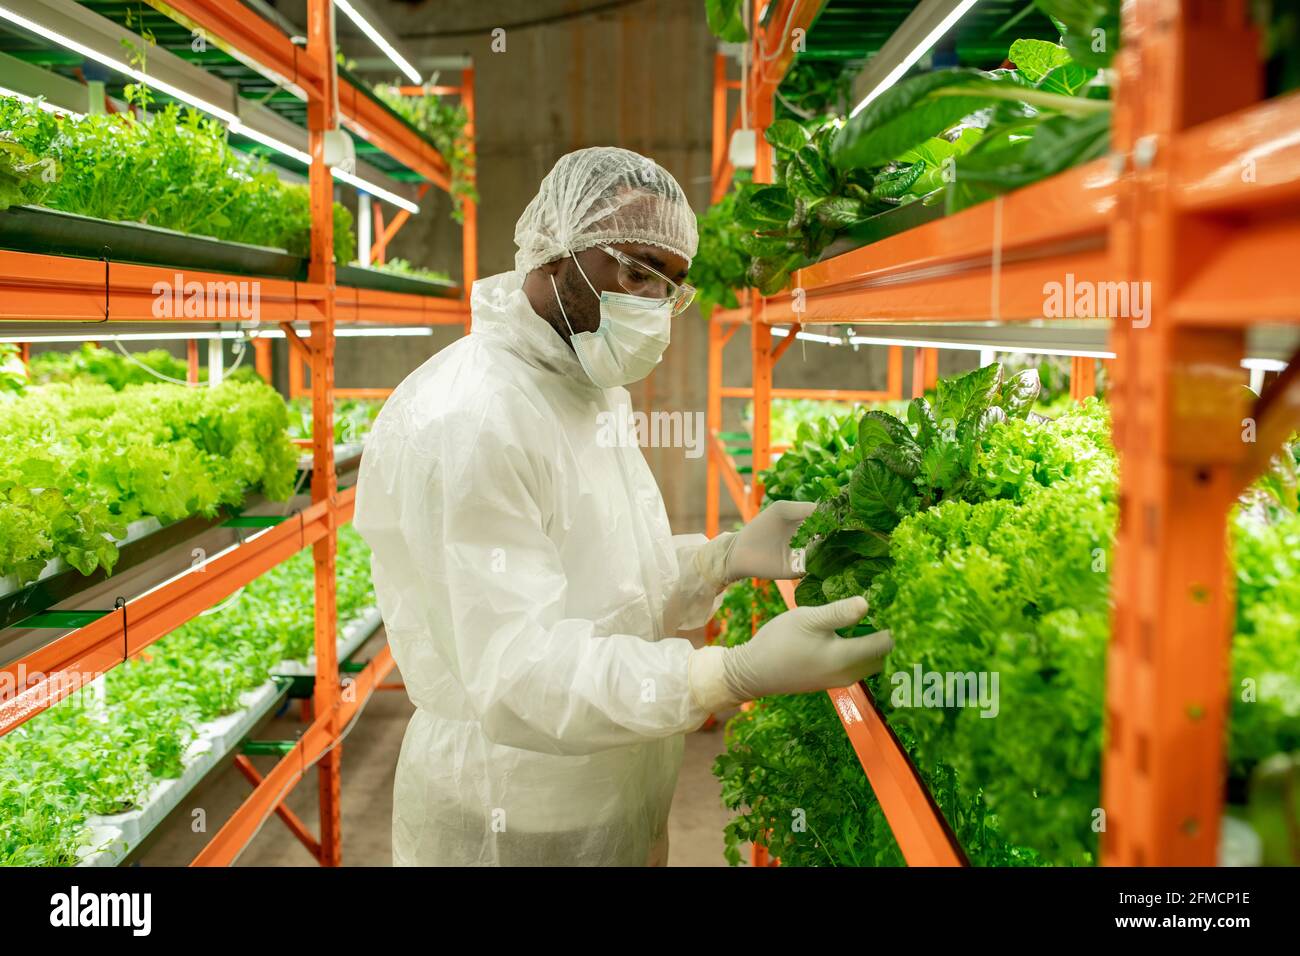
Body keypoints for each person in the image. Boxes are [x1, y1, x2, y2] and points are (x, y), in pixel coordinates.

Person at [353, 147, 893, 867]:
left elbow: (600, 579)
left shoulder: (582, 381)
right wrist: (721, 675)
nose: (652, 306)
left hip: (613, 787)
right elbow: (519, 674)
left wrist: (716, 560)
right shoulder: (472, 418)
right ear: (555, 252)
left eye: (670, 285)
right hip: (514, 811)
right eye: (636, 271)